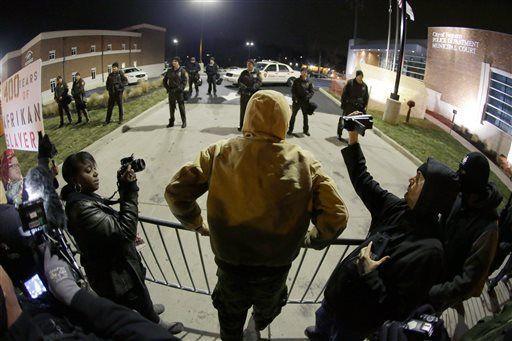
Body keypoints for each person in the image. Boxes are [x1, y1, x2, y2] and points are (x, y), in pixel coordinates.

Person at [165, 90, 349, 340]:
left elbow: (176, 192)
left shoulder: (219, 151)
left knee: (229, 316)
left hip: (231, 266)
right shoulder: (305, 162)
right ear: (284, 119)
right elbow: (336, 215)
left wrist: (198, 224)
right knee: (267, 307)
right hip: (275, 268)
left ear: (249, 115)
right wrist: (309, 239)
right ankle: (256, 327)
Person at [306, 117, 459, 340]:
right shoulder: (397, 207)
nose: (410, 180)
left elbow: (398, 309)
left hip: (355, 322)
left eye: (418, 180)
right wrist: (353, 137)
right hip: (337, 297)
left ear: (431, 196)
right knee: (323, 323)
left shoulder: (430, 251)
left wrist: (370, 274)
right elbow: (364, 180)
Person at [60, 152, 183, 334]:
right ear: (74, 179)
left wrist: (123, 188)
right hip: (113, 274)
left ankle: (146, 310)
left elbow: (112, 229)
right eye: (88, 170)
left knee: (139, 292)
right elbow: (124, 231)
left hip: (119, 265)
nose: (95, 174)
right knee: (131, 297)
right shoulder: (81, 207)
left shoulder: (84, 197)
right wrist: (130, 190)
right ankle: (154, 323)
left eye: (95, 168)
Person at [429, 152, 501, 311]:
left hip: (439, 294)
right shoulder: (460, 197)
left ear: (474, 183)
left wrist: (433, 293)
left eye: (462, 174)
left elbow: (468, 281)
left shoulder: (488, 228)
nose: (457, 176)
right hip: (428, 272)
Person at [337, 70, 369, 140]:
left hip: (358, 107)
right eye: (358, 76)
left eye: (361, 76)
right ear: (356, 76)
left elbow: (366, 97)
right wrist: (344, 103)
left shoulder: (364, 86)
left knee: (356, 123)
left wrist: (364, 106)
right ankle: (339, 133)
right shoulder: (350, 83)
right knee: (344, 120)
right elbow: (344, 93)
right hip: (349, 105)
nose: (360, 78)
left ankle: (352, 138)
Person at [288, 67, 315, 137]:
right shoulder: (296, 81)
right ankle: (290, 130)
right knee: (293, 116)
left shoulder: (309, 82)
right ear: (301, 72)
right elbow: (293, 91)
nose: (304, 73)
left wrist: (308, 97)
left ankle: (306, 130)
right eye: (303, 71)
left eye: (306, 72)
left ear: (307, 73)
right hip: (297, 101)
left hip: (305, 101)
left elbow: (312, 92)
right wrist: (295, 98)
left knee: (305, 116)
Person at [237, 59, 262, 131]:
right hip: (244, 94)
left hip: (253, 95)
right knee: (243, 111)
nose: (248, 66)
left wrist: (254, 87)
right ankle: (242, 126)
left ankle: (252, 127)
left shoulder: (257, 72)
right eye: (247, 64)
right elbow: (239, 81)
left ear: (253, 65)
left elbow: (259, 82)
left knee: (253, 111)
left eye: (250, 64)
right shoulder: (244, 72)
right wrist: (244, 87)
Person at [163, 57, 188, 128]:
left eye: (175, 61)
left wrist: (180, 88)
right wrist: (168, 88)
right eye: (173, 61)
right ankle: (171, 122)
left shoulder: (182, 71)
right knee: (171, 108)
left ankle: (184, 122)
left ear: (178, 62)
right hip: (171, 91)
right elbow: (164, 81)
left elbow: (184, 81)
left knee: (181, 107)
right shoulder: (169, 71)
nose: (173, 62)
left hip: (179, 92)